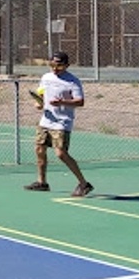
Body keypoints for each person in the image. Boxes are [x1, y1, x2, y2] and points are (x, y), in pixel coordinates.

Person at [24, 51, 92, 197]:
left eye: (59, 66)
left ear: (67, 65)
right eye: (52, 65)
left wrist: (61, 102)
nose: (55, 68)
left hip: (62, 122)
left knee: (61, 153)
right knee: (39, 149)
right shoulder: (46, 77)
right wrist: (38, 102)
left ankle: (83, 183)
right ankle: (42, 182)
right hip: (46, 120)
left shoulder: (72, 81)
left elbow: (80, 101)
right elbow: (41, 94)